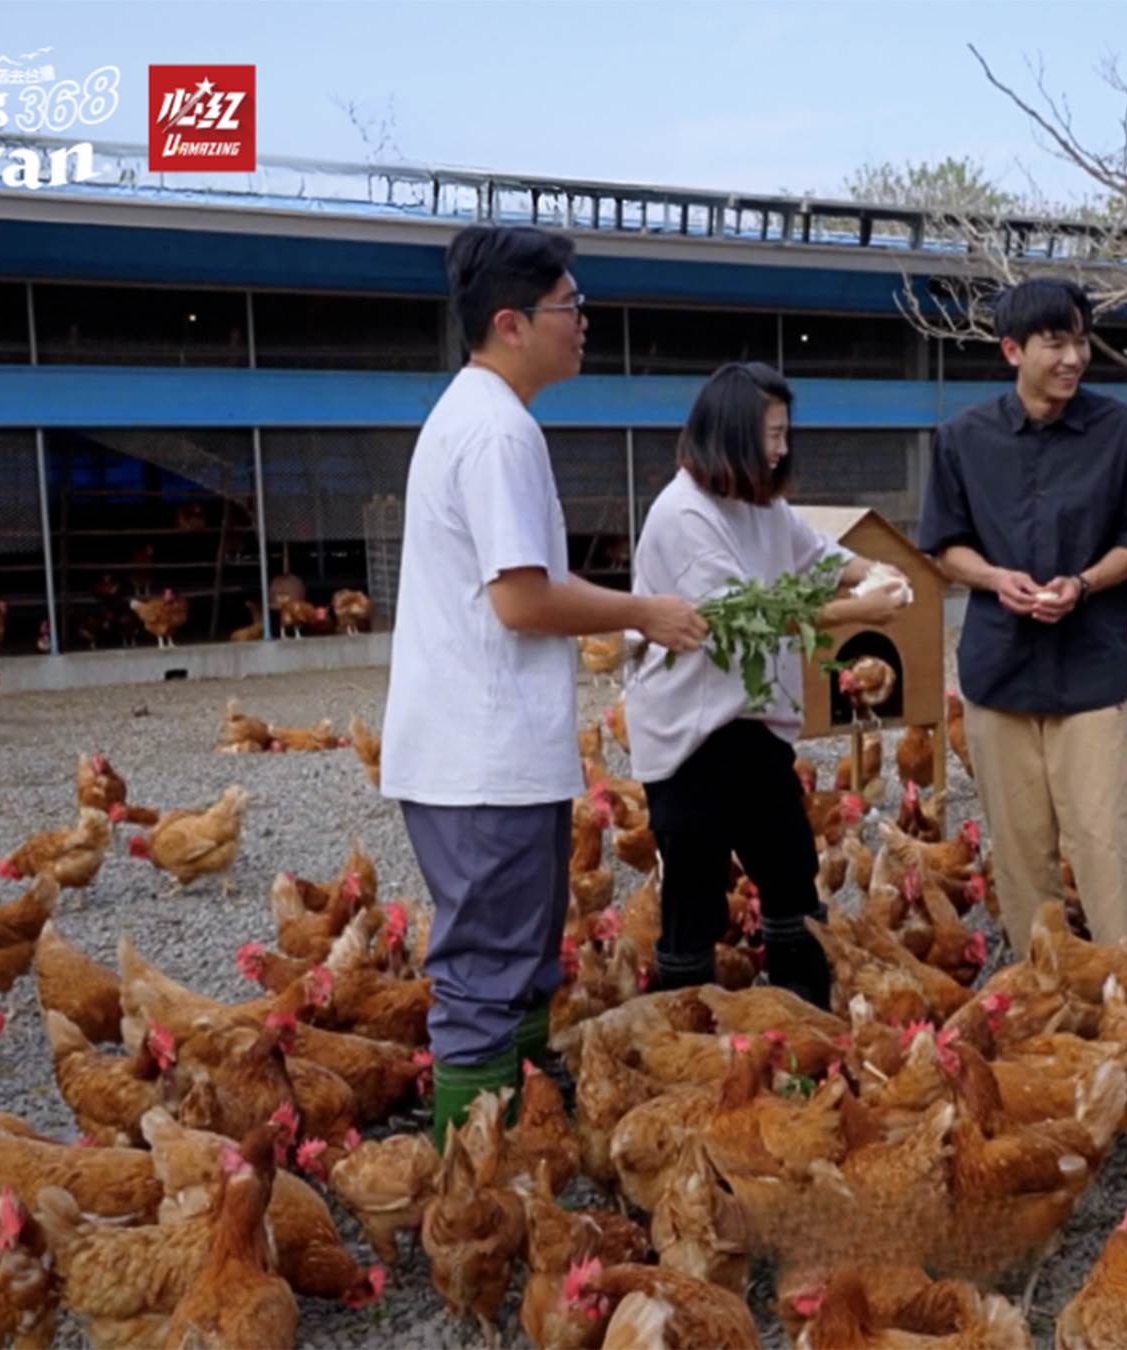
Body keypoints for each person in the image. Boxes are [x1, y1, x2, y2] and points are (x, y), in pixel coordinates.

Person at [382, 224, 708, 1145]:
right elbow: (522, 599)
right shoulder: (495, 432)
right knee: (486, 969)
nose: (583, 321)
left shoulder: (485, 417)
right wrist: (644, 611)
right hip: (479, 757)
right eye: (570, 305)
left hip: (489, 751)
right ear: (511, 323)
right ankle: (471, 1176)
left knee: (519, 958)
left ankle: (519, 1133)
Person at [626, 362, 903, 1007]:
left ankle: (802, 1011)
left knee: (790, 870)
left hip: (752, 722)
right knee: (695, 889)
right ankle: (684, 1024)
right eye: (772, 435)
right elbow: (747, 617)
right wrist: (860, 610)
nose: (781, 448)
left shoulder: (762, 504)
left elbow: (818, 554)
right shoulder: (684, 514)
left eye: (784, 434)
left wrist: (873, 569)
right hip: (691, 732)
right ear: (732, 434)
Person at [917, 277, 1127, 960]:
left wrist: (1082, 584)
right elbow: (944, 546)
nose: (1073, 358)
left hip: (1089, 669)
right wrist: (996, 579)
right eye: (1055, 343)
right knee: (1020, 850)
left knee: (1106, 841)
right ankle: (1042, 989)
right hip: (999, 670)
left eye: (1081, 341)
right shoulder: (962, 439)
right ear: (1012, 350)